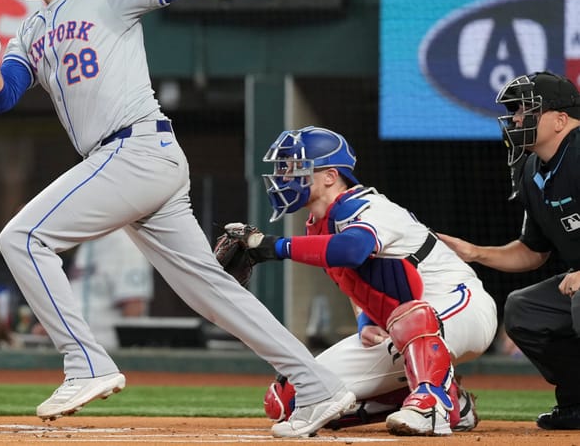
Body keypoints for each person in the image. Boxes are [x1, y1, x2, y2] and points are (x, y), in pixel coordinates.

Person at [0, 0, 351, 438]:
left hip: (134, 148)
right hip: (135, 160)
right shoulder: (31, 28)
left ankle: (86, 364)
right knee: (211, 292)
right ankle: (318, 384)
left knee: (24, 238)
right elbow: (2, 96)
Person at [219, 126, 497, 436]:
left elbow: (352, 250)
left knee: (410, 317)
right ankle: (455, 402)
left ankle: (433, 406)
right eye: (283, 168)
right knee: (294, 399)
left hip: (462, 306)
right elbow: (359, 280)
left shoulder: (368, 206)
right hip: (406, 326)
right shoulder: (319, 225)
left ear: (329, 176)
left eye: (296, 167)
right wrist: (366, 320)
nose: (285, 176)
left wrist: (274, 246)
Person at [439, 71, 580, 430]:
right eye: (515, 111)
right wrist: (475, 252)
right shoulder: (533, 168)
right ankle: (577, 401)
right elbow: (534, 252)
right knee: (525, 308)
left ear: (560, 119)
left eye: (525, 109)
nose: (516, 118)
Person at [69, 228, 154, 350]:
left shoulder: (126, 242)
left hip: (108, 350)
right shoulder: (88, 240)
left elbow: (134, 307)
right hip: (78, 348)